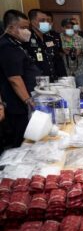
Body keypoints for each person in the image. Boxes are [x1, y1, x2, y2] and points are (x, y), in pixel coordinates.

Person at [0, 9, 41, 147]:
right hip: (16, 105)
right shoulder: (7, 47)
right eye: (23, 27)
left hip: (21, 103)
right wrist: (28, 101)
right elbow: (14, 78)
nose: (27, 31)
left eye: (27, 27)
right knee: (20, 142)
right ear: (11, 28)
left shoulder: (16, 44)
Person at [25, 9, 57, 82]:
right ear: (33, 22)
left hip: (53, 80)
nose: (46, 23)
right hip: (36, 82)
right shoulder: (27, 39)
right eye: (42, 20)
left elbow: (57, 59)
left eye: (47, 21)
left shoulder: (50, 39)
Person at [60, 18, 83, 87]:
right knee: (67, 92)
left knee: (82, 92)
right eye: (67, 27)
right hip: (65, 71)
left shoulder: (79, 38)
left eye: (71, 27)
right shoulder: (58, 38)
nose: (70, 29)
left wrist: (79, 51)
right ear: (62, 28)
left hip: (79, 70)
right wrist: (63, 51)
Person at [46, 11, 67, 78]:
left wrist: (63, 51)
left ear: (52, 23)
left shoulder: (56, 35)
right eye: (43, 21)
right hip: (46, 69)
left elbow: (60, 50)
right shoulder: (36, 37)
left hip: (58, 67)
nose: (46, 23)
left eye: (48, 21)